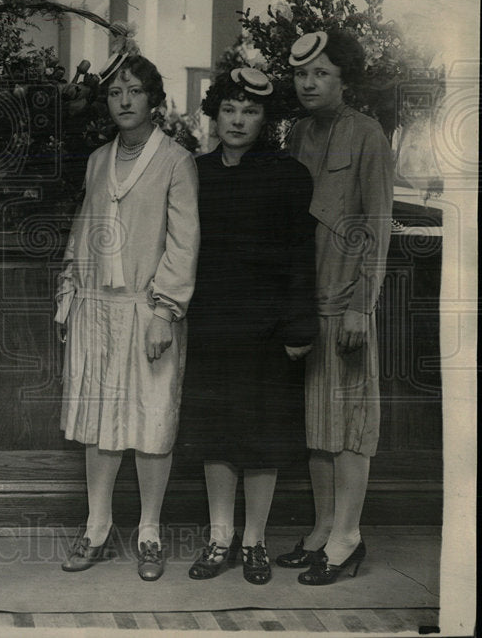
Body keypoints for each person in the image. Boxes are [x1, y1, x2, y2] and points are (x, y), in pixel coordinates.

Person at [55, 53, 200, 581]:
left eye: (135, 91)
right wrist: (70, 291)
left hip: (148, 310)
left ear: (153, 99)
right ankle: (96, 527)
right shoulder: (98, 159)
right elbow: (81, 230)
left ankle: (150, 532)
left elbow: (184, 244)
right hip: (97, 310)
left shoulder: (176, 161)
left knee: (151, 420)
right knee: (99, 422)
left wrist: (165, 311)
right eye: (116, 92)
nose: (124, 100)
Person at [178, 67, 317, 585]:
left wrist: (299, 328)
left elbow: (302, 258)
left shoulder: (288, 175)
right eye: (230, 109)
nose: (238, 120)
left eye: (251, 111)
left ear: (266, 119)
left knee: (262, 436)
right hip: (212, 324)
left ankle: (254, 541)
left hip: (269, 327)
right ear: (214, 114)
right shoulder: (194, 172)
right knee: (216, 434)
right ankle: (220, 539)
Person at [278, 30, 393, 585]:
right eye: (303, 74)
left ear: (345, 79)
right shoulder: (299, 132)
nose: (309, 83)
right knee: (316, 425)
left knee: (349, 426)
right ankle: (324, 527)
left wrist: (360, 306)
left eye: (322, 73)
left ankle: (348, 536)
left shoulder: (368, 134)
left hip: (347, 304)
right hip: (308, 303)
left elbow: (376, 224)